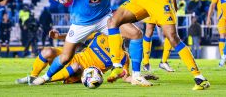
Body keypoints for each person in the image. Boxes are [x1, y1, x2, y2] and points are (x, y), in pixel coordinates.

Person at [32, 0, 152, 86]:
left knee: (136, 34)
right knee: (66, 57)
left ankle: (136, 75)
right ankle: (45, 77)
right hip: (81, 24)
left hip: (104, 19)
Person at [16, 30, 150, 85]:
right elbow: (78, 37)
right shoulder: (100, 35)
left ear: (126, 37)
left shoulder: (123, 57)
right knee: (47, 51)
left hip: (83, 73)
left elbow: (126, 76)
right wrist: (59, 36)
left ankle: (42, 80)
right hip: (74, 58)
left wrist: (138, 77)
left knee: (75, 67)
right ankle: (33, 76)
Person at [142, 0, 178, 72]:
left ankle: (164, 61)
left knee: (169, 33)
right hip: (151, 3)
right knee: (149, 31)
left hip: (164, 4)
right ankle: (146, 63)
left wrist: (174, 3)